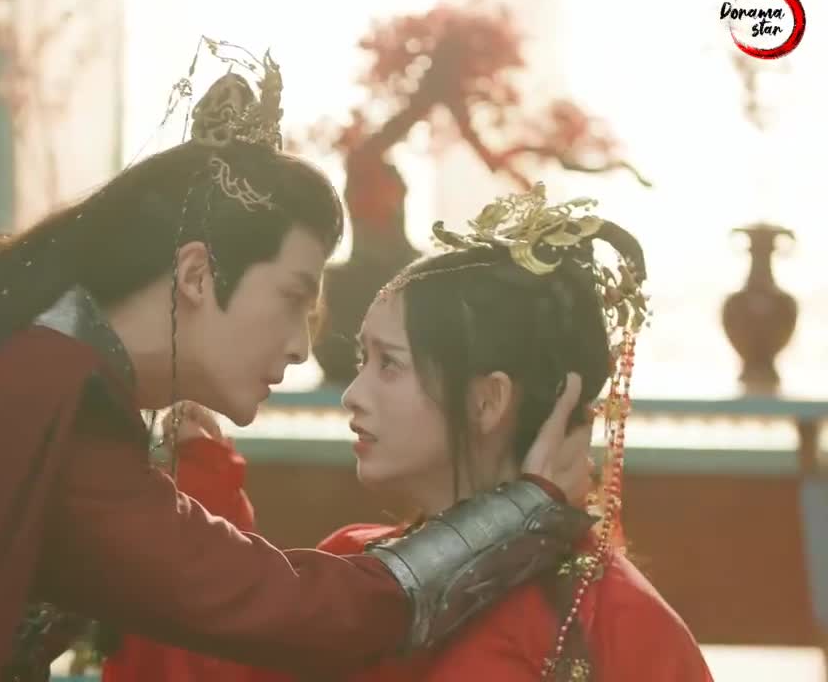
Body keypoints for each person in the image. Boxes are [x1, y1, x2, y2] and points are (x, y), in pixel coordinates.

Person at [0, 42, 597, 682]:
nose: (304, 344)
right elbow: (304, 614)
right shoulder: (45, 399)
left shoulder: (25, 343)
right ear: (195, 275)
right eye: (292, 296)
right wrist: (528, 509)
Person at [112, 185, 714, 681]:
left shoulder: (616, 625)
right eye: (361, 361)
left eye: (390, 365)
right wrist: (202, 488)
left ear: (487, 400)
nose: (354, 394)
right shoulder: (356, 567)